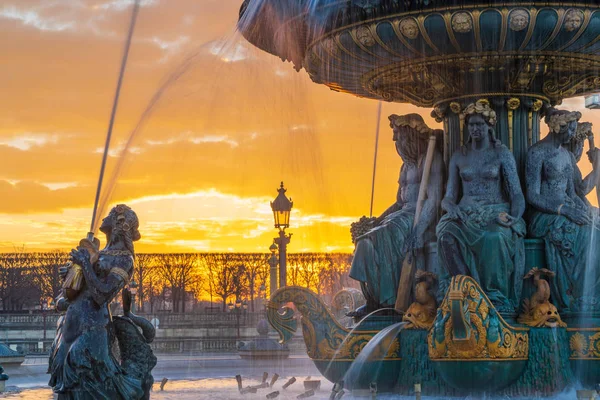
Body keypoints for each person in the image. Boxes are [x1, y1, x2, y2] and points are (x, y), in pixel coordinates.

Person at [349, 114, 444, 316]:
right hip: (400, 216)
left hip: (418, 218)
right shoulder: (406, 166)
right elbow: (398, 203)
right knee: (364, 241)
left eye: (398, 135)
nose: (394, 141)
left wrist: (418, 231)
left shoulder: (429, 160)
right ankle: (373, 299)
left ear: (410, 136)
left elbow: (434, 200)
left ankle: (390, 299)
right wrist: (377, 219)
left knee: (383, 234)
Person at [437, 100, 526, 312]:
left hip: (494, 210)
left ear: (489, 126)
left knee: (494, 238)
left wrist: (514, 217)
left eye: (479, 124)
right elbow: (448, 197)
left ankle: (494, 296)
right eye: (471, 125)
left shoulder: (501, 154)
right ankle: (465, 291)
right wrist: (451, 208)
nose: (475, 128)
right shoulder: (459, 155)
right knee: (445, 234)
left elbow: (517, 194)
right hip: (464, 213)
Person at [49, 204, 145, 399]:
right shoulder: (97, 253)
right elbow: (74, 294)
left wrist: (85, 265)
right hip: (70, 326)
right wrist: (70, 277)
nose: (104, 217)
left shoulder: (125, 260)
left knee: (86, 389)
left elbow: (103, 296)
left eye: (110, 214)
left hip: (92, 330)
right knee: (65, 392)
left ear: (120, 224)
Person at [526, 109, 600, 312]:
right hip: (545, 215)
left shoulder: (566, 155)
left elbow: (577, 191)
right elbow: (533, 196)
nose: (572, 135)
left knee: (597, 228)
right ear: (558, 126)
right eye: (571, 130)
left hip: (568, 209)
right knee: (584, 235)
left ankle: (592, 296)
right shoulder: (537, 152)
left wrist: (589, 212)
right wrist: (563, 210)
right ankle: (576, 296)